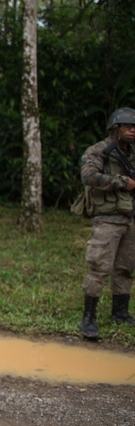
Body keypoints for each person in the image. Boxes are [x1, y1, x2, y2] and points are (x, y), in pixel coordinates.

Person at [78, 107, 135, 340]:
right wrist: (121, 181)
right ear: (115, 128)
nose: (132, 131)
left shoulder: (132, 153)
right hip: (108, 218)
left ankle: (120, 312)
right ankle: (88, 318)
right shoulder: (99, 151)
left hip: (130, 216)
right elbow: (88, 176)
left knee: (125, 268)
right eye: (128, 127)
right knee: (98, 267)